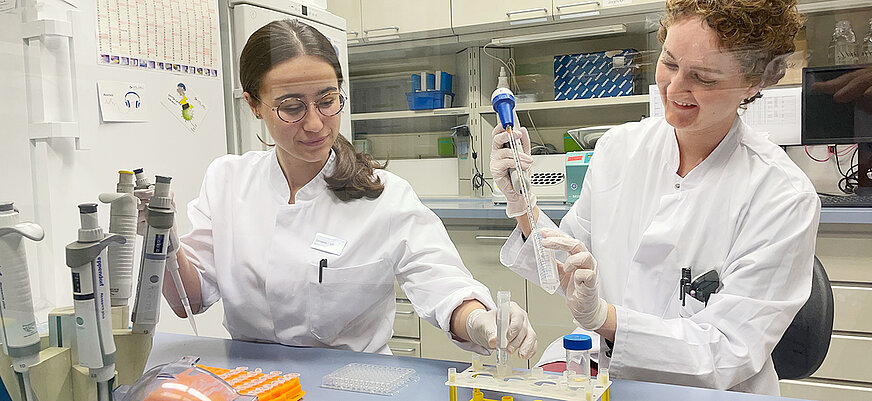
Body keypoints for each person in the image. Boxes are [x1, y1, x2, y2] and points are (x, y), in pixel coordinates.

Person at [142, 19, 537, 359]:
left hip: (352, 384)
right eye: (291, 107)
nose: (315, 124)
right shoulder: (227, 180)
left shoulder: (385, 195)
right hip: (251, 384)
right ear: (254, 104)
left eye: (327, 101)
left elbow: (443, 285)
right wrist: (162, 236)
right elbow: (188, 301)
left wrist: (482, 320)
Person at [491, 0, 818, 395]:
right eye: (670, 62)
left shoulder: (782, 195)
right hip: (605, 380)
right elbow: (568, 264)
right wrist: (523, 204)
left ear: (754, 83)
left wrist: (605, 318)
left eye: (705, 78)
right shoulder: (619, 149)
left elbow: (728, 353)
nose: (676, 88)